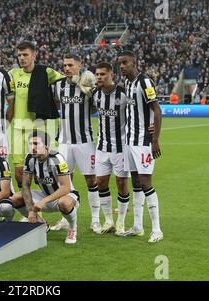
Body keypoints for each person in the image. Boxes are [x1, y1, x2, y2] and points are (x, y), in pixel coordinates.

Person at [48, 54, 101, 234]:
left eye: (70, 65)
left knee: (91, 180)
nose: (67, 68)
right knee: (64, 181)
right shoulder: (58, 86)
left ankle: (95, 220)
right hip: (64, 143)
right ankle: (65, 218)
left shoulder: (87, 86)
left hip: (85, 142)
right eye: (64, 65)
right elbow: (54, 103)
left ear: (79, 66)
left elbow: (97, 105)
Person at [117, 50, 163, 243]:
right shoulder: (127, 83)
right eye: (119, 63)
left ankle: (157, 229)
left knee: (145, 183)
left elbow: (157, 111)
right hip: (130, 140)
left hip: (143, 142)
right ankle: (137, 226)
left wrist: (154, 141)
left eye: (124, 63)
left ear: (134, 62)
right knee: (135, 182)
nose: (121, 66)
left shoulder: (145, 82)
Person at [8, 41, 64, 188]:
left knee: (42, 170)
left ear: (34, 55)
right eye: (19, 55)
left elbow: (65, 80)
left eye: (25, 54)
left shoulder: (45, 72)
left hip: (39, 128)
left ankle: (41, 205)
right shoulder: (13, 74)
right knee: (19, 172)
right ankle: (28, 207)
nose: (21, 58)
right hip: (18, 128)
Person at [11, 130, 80, 244]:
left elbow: (65, 187)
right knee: (16, 198)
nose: (32, 147)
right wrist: (30, 211)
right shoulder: (30, 158)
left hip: (65, 195)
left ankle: (72, 229)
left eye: (36, 144)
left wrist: (44, 201)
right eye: (30, 144)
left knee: (65, 203)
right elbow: (25, 186)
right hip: (44, 195)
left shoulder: (57, 158)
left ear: (47, 146)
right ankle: (42, 225)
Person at [92, 62, 130, 236]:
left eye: (102, 74)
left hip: (121, 148)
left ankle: (121, 222)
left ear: (111, 75)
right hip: (101, 147)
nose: (99, 77)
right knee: (100, 183)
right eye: (97, 74)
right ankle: (108, 220)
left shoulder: (123, 94)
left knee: (121, 184)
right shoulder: (95, 94)